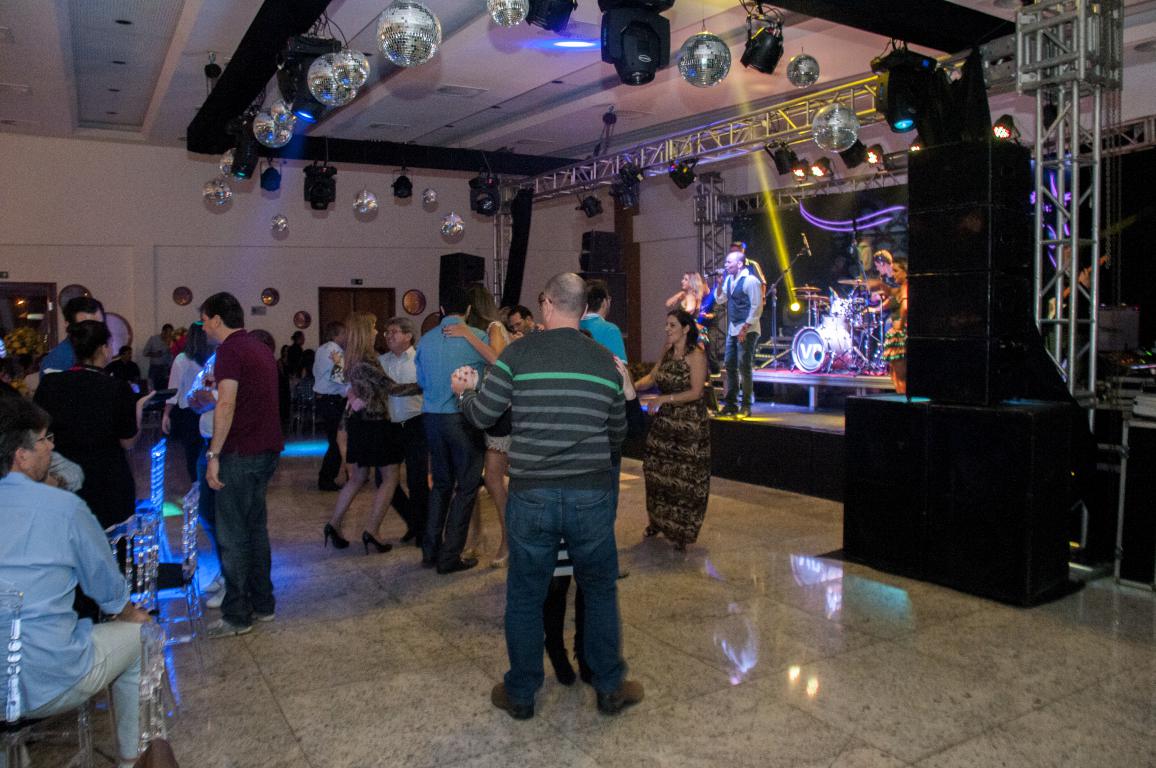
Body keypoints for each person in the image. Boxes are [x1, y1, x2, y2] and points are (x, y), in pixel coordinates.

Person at [454, 272, 642, 720]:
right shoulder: (605, 361)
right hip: (590, 496)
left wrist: (464, 393)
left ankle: (521, 693)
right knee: (599, 591)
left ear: (546, 304)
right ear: (584, 308)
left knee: (525, 594)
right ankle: (610, 687)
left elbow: (483, 415)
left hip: (533, 493)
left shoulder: (518, 354)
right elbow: (618, 435)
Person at [0, 397, 152, 768]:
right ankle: (131, 759)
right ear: (21, 455)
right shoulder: (63, 508)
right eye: (44, 439)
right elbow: (107, 586)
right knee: (143, 638)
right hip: (49, 679)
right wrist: (128, 612)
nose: (51, 447)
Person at [200, 292, 283, 638]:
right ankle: (263, 604)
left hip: (241, 452)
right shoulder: (258, 347)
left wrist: (213, 455)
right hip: (265, 449)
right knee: (254, 530)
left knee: (232, 535)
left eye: (205, 319)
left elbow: (226, 404)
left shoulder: (230, 351)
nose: (203, 326)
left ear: (217, 319)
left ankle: (237, 615)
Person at [34, 321, 149, 529]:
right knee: (108, 542)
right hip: (107, 483)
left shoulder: (50, 384)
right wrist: (139, 409)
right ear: (104, 349)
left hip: (63, 479)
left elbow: (37, 431)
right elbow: (128, 441)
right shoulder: (116, 388)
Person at [415, 286, 489, 574]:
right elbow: (498, 365)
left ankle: (430, 549)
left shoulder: (426, 339)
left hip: (431, 418)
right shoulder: (477, 337)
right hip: (462, 419)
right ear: (469, 310)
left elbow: (421, 381)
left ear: (442, 310)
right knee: (467, 487)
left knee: (441, 485)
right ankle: (449, 556)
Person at [444, 283, 511, 567]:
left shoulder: (494, 327)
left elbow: (497, 360)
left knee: (494, 479)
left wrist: (468, 335)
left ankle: (508, 540)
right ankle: (476, 536)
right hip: (477, 409)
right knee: (470, 479)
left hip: (499, 411)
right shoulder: (474, 334)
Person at [323, 312, 400, 555]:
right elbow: (392, 387)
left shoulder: (350, 358)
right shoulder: (367, 360)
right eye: (374, 327)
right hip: (376, 423)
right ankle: (372, 530)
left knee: (357, 477)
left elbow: (349, 391)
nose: (377, 332)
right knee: (390, 476)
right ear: (365, 332)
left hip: (358, 422)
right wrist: (425, 386)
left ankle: (334, 524)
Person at [635, 309, 711, 551]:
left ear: (686, 329)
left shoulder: (696, 355)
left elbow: (696, 392)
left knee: (683, 479)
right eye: (666, 324)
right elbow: (652, 377)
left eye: (672, 325)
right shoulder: (667, 351)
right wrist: (630, 387)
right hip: (665, 424)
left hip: (688, 426)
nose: (667, 329)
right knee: (656, 471)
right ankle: (657, 522)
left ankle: (680, 531)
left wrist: (664, 399)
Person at [380, 316, 428, 546]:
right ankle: (413, 521)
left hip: (415, 423)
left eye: (394, 332)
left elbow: (426, 387)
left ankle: (423, 530)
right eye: (387, 332)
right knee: (384, 481)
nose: (389, 336)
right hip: (389, 426)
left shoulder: (420, 359)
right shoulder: (381, 361)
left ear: (408, 335)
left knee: (417, 480)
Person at [713, 242, 764, 418]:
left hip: (748, 329)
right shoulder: (729, 280)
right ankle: (731, 404)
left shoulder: (751, 281)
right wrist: (719, 285)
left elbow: (757, 307)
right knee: (730, 365)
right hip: (733, 328)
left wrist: (745, 328)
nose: (726, 265)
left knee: (744, 366)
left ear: (739, 264)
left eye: (729, 262)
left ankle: (746, 405)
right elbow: (720, 299)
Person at [163, 322, 211, 485]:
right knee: (206, 451)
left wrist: (166, 414)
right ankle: (205, 486)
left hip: (189, 413)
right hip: (208, 410)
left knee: (192, 453)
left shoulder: (182, 359)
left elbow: (174, 390)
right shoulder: (211, 359)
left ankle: (196, 485)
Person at [313, 321, 348, 491]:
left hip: (324, 399)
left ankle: (331, 476)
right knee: (336, 442)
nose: (347, 337)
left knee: (334, 440)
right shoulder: (336, 351)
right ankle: (326, 479)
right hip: (332, 400)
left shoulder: (322, 349)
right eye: (344, 333)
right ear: (336, 335)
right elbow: (339, 378)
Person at [40, 296, 104, 375]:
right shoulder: (57, 360)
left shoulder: (104, 351)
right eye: (86, 326)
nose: (95, 331)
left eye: (100, 325)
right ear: (68, 325)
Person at [580, 281, 627, 360]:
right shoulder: (610, 330)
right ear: (604, 302)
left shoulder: (573, 325)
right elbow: (619, 365)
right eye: (609, 298)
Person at [882, 257, 908, 395]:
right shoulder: (901, 288)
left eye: (896, 271)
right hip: (897, 333)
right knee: (894, 374)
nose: (893, 274)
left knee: (900, 377)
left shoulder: (906, 287)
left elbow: (905, 307)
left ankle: (903, 403)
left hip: (900, 334)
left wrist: (901, 324)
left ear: (905, 272)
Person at [143, 323, 174, 391]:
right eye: (168, 333)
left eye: (170, 333)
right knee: (153, 388)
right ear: (163, 332)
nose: (169, 335)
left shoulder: (172, 341)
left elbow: (172, 355)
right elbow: (145, 352)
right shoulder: (153, 339)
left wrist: (170, 346)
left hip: (166, 368)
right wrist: (155, 354)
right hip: (155, 368)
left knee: (165, 388)